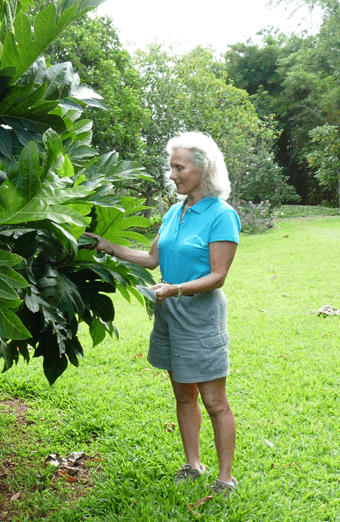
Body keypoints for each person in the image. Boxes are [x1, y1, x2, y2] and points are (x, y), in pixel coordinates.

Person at [84, 132, 241, 497]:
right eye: (171, 167)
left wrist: (175, 288)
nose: (172, 175)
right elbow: (153, 259)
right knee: (183, 395)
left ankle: (225, 478)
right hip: (168, 312)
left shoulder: (222, 215)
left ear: (202, 168)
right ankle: (193, 465)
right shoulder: (175, 211)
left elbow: (218, 276)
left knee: (214, 401)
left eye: (179, 167)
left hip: (199, 316)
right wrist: (108, 247)